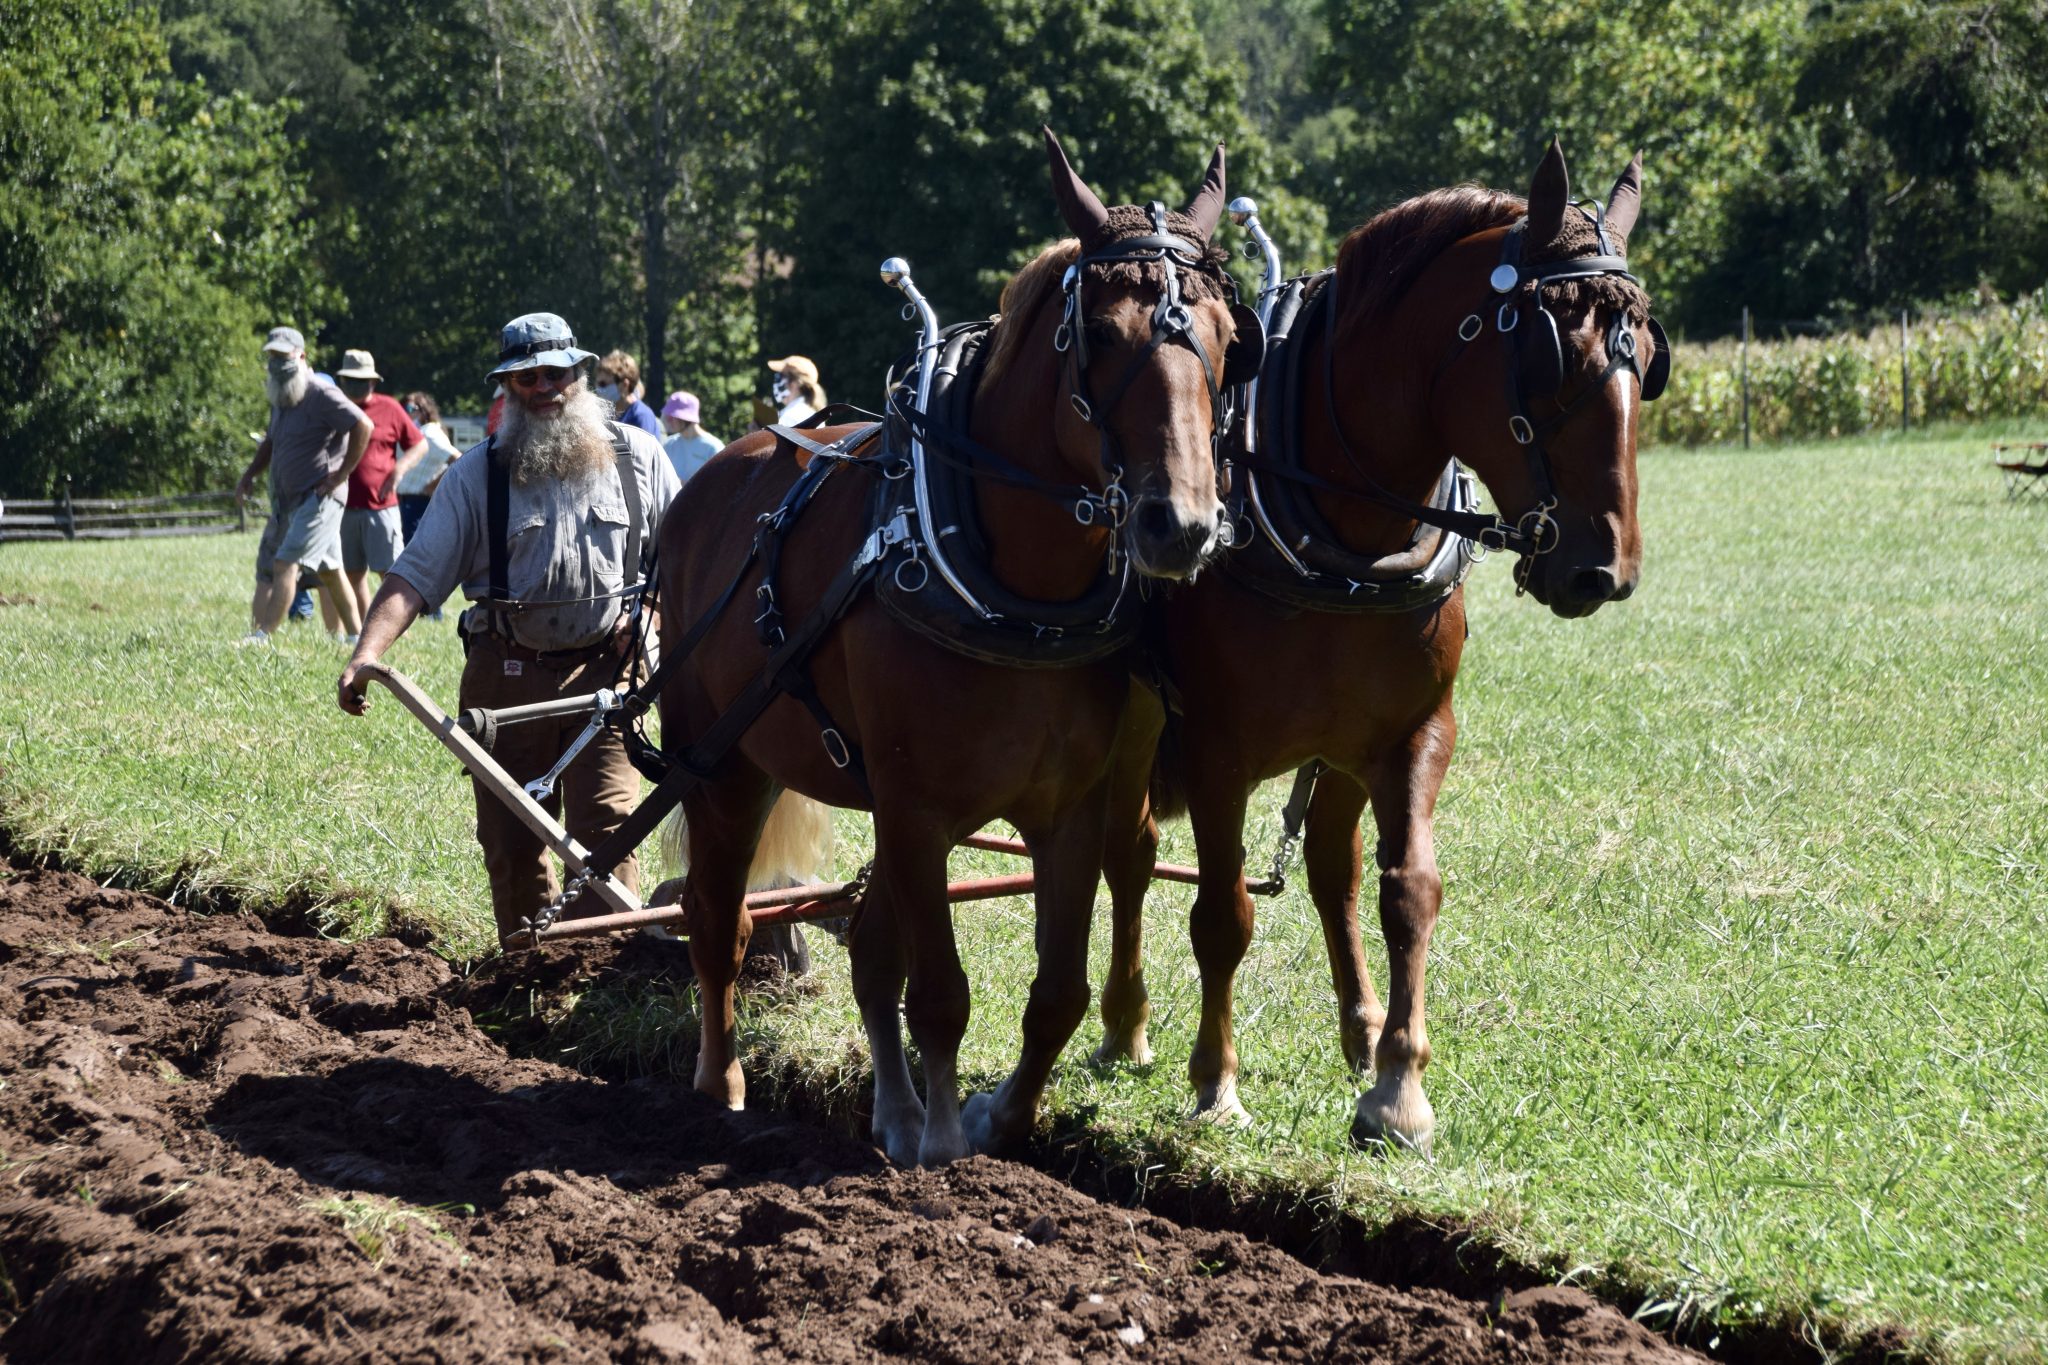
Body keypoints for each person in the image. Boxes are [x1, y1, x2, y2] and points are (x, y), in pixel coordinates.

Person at [337, 313, 681, 948]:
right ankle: (529, 976)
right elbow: (415, 574)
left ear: (580, 376)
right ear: (507, 385)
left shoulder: (641, 461)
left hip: (606, 679)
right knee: (511, 839)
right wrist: (366, 654)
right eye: (527, 377)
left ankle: (602, 979)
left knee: (609, 830)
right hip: (507, 680)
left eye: (556, 373)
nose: (544, 387)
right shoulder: (477, 476)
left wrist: (650, 617)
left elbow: (681, 561)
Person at [236, 327, 372, 645]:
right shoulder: (281, 395)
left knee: (285, 562)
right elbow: (271, 441)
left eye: (283, 357)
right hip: (290, 500)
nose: (277, 364)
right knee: (330, 570)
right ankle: (355, 637)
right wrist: (249, 475)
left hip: (319, 496)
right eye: (272, 356)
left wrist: (340, 476)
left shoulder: (320, 393)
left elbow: (363, 425)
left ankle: (262, 636)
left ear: (301, 356)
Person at [333, 349, 427, 629]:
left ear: (374, 382)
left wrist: (399, 469)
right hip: (342, 506)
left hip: (381, 505)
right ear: (342, 381)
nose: (357, 386)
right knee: (352, 573)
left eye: (363, 381)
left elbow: (419, 444)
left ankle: (397, 629)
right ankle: (366, 629)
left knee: (392, 573)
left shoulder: (389, 407)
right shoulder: (333, 406)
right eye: (351, 380)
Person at [396, 390, 462, 543]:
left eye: (411, 409)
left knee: (414, 556)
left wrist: (435, 484)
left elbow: (459, 460)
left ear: (424, 411)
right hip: (408, 502)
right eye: (403, 409)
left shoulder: (430, 433)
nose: (406, 413)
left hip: (420, 503)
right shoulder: (417, 433)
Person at [659, 390, 723, 483]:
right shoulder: (669, 445)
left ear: (686, 418)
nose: (668, 420)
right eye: (668, 416)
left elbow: (719, 485)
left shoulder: (713, 448)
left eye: (672, 416)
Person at [594, 350, 663, 436]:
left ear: (624, 385)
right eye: (597, 383)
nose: (598, 389)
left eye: (603, 384)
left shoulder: (641, 416)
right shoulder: (607, 415)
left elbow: (642, 449)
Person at [767, 354, 825, 425]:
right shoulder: (814, 415)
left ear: (794, 383)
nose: (777, 380)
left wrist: (757, 434)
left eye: (781, 376)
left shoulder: (790, 417)